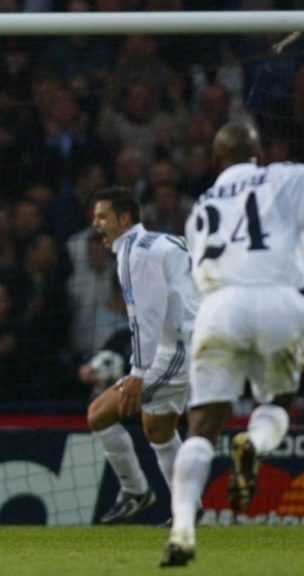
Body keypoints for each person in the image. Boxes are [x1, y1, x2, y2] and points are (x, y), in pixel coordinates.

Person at [161, 123, 304, 566]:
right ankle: (255, 444)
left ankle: (182, 531)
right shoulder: (285, 177)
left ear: (216, 159)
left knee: (202, 425)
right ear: (258, 154)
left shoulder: (200, 208)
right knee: (277, 402)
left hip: (220, 307)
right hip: (279, 298)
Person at [86, 186, 199, 525]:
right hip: (187, 341)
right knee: (158, 429)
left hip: (176, 349)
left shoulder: (136, 254)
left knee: (99, 414)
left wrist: (137, 373)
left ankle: (135, 491)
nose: (95, 223)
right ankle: (189, 509)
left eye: (102, 216)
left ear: (124, 218)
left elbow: (145, 317)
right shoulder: (160, 241)